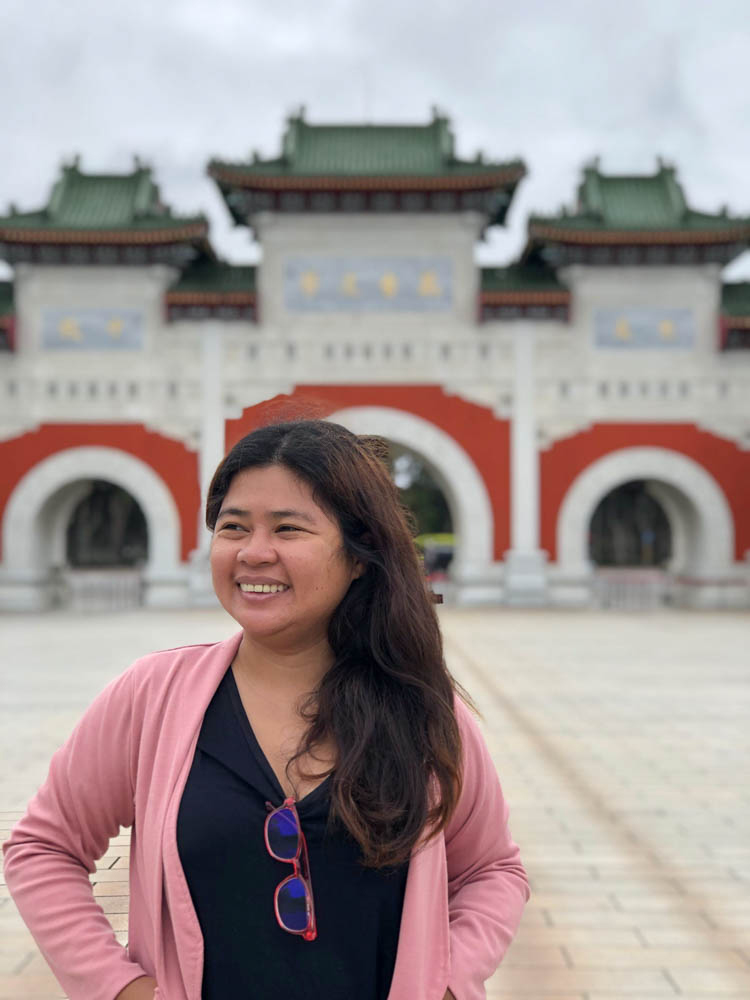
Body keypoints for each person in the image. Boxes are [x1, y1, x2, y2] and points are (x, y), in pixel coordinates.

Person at [4, 419, 529, 1000]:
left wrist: (448, 984)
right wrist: (118, 987)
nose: (254, 553)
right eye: (233, 527)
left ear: (359, 556)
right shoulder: (151, 696)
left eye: (288, 528)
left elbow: (491, 870)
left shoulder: (421, 708)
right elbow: (41, 848)